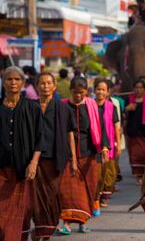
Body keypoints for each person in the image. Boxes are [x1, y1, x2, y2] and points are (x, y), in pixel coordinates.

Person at [58, 76, 110, 235]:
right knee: (68, 190)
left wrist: (105, 147)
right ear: (70, 91)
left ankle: (82, 222)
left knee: (89, 188)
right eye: (75, 93)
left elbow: (101, 127)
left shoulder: (92, 106)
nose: (78, 96)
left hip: (89, 153)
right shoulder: (64, 106)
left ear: (86, 92)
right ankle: (66, 223)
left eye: (81, 93)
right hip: (68, 155)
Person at [27, 72, 77, 240]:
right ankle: (40, 229)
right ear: (37, 86)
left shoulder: (63, 108)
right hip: (33, 159)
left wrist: (74, 159)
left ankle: (46, 230)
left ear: (54, 86)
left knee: (52, 196)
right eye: (42, 83)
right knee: (35, 197)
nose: (45, 86)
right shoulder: (30, 106)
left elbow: (70, 134)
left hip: (55, 159)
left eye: (49, 83)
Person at [0, 66, 44, 240]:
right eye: (9, 79)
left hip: (23, 169)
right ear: (3, 82)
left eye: (17, 79)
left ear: (23, 83)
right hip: (1, 169)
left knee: (19, 209)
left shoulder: (32, 108)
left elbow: (40, 138)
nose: (13, 82)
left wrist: (33, 162)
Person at [94, 78, 122, 208]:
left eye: (103, 90)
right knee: (97, 171)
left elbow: (117, 126)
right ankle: (96, 196)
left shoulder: (111, 106)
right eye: (98, 89)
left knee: (110, 171)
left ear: (107, 92)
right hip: (95, 143)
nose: (100, 92)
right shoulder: (90, 105)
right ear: (94, 90)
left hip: (109, 142)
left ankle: (105, 195)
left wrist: (118, 143)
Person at [125, 79, 145, 182]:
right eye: (136, 87)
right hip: (132, 131)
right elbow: (121, 114)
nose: (138, 90)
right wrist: (126, 109)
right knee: (135, 155)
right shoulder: (129, 100)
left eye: (141, 88)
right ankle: (139, 175)